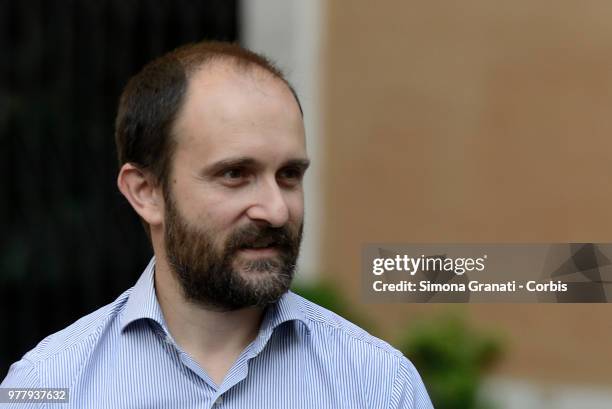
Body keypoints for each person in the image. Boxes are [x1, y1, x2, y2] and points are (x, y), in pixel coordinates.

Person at [1, 41, 433, 408]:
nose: (276, 211)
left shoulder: (377, 386)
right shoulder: (50, 387)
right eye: (235, 174)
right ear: (146, 192)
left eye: (288, 175)